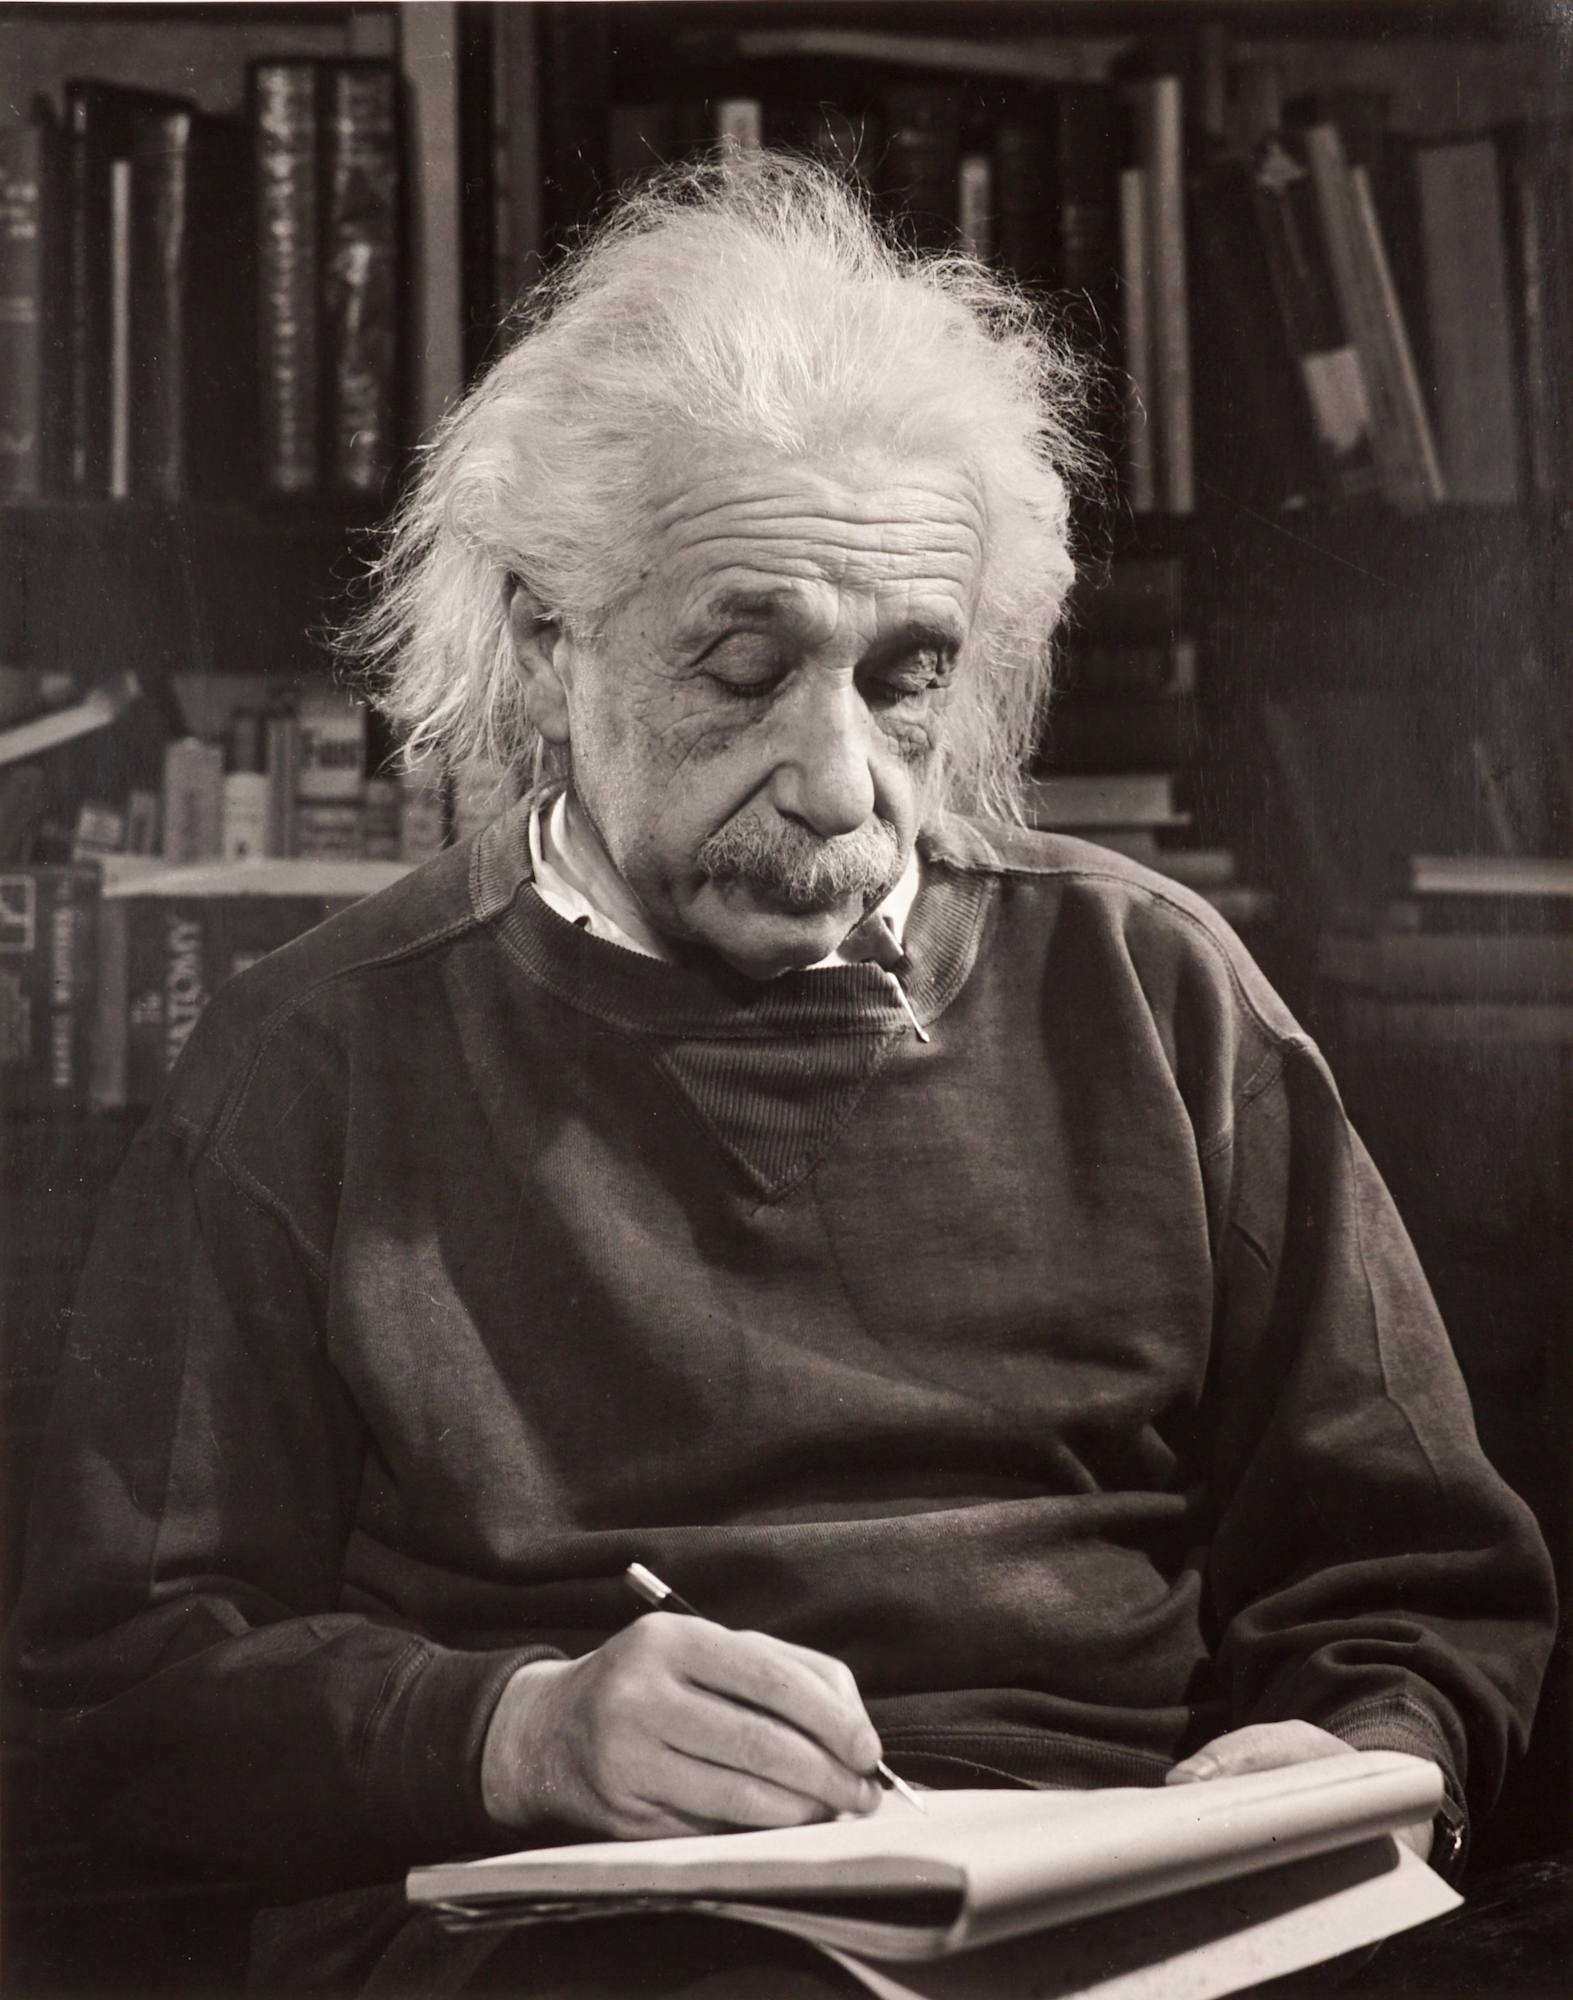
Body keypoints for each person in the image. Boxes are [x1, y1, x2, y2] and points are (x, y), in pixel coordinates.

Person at [11, 157, 1556, 1996]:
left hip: (1129, 1904)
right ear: (542, 642)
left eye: (905, 678)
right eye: (745, 668)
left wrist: (1363, 1745)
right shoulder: (315, 1052)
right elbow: (119, 1697)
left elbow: (1416, 1578)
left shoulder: (1154, 988)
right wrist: (513, 1732)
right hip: (586, 1928)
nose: (837, 783)